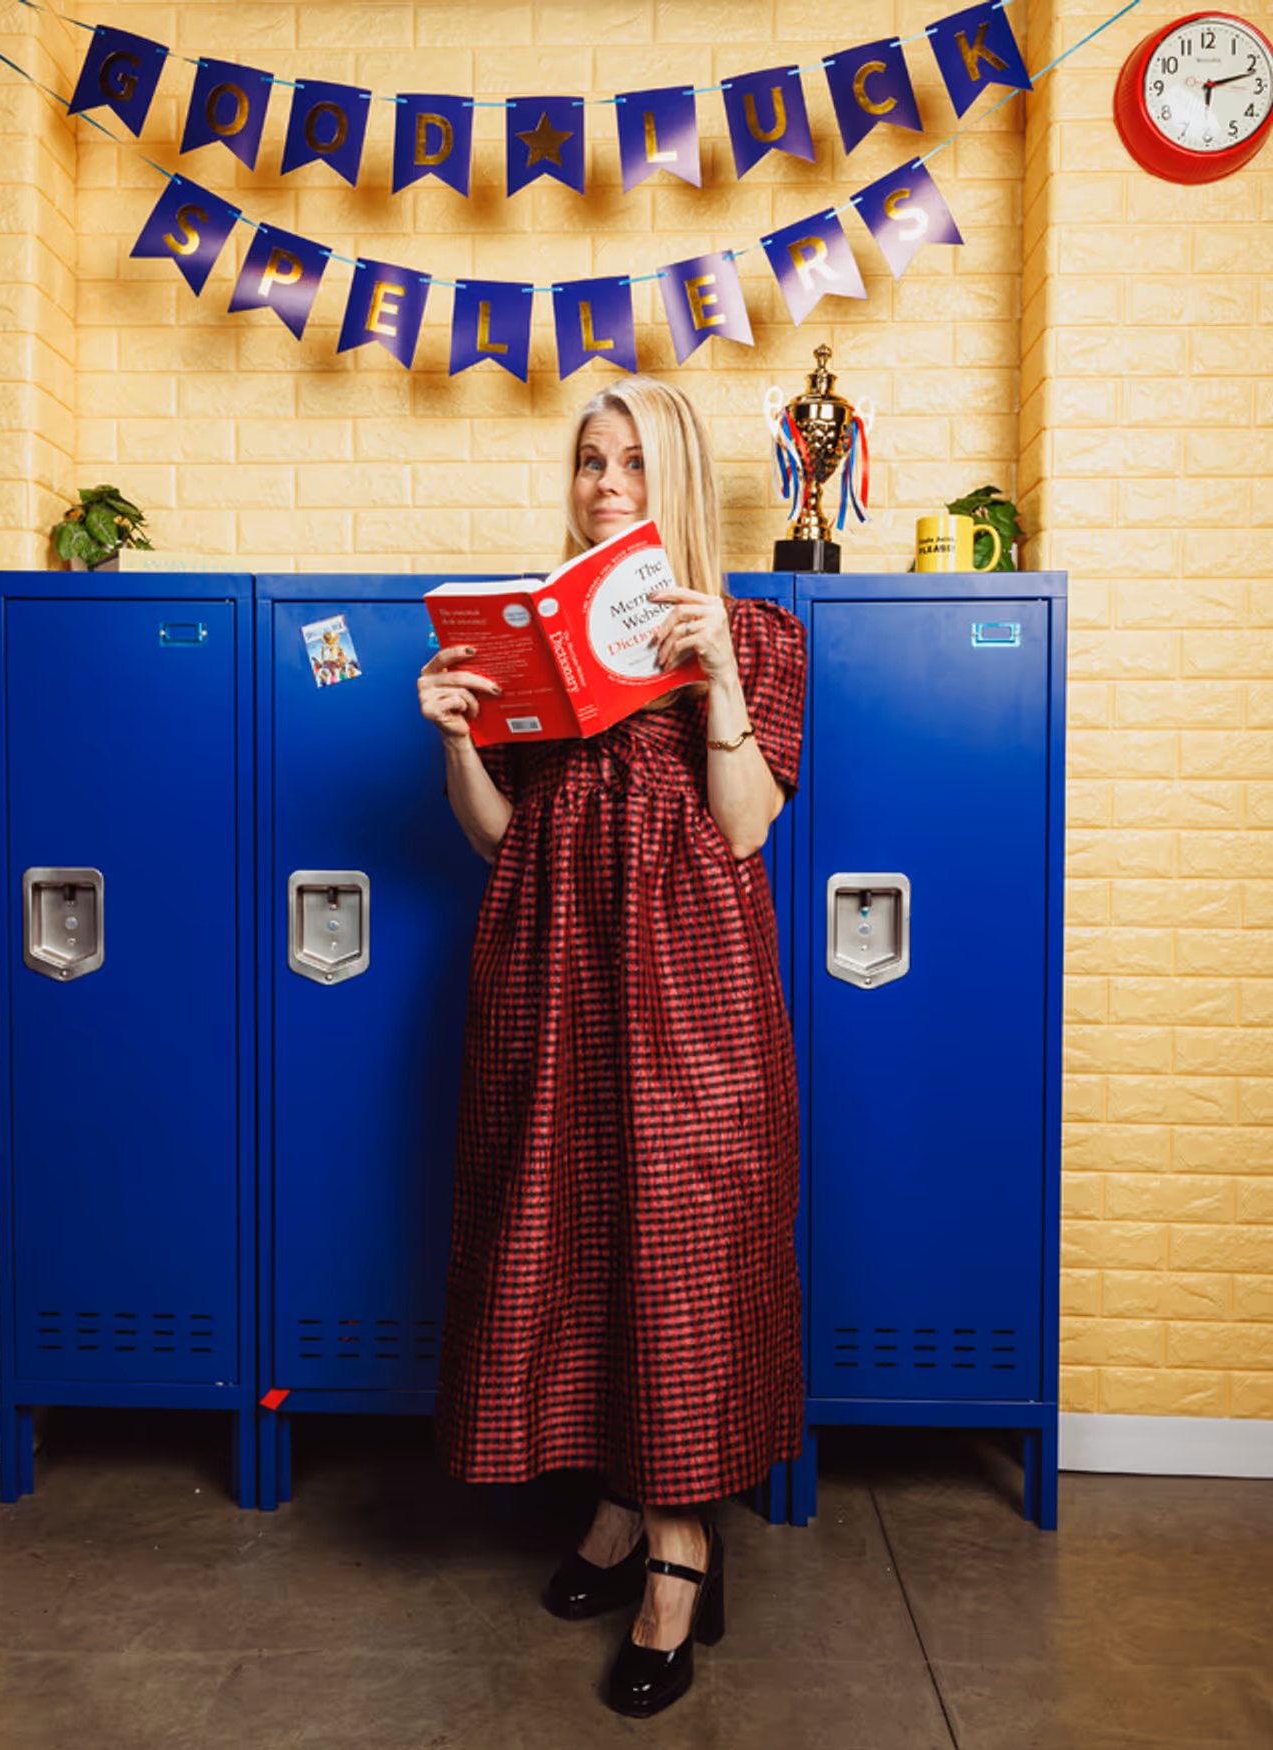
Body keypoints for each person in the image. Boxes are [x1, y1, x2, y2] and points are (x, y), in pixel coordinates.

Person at [417, 376, 806, 1719]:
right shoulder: (542, 634)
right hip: (553, 982)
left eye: (632, 461)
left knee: (686, 1251)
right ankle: (621, 1503)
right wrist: (459, 743)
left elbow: (747, 824)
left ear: (677, 480)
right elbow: (492, 836)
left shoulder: (751, 633)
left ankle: (682, 1556)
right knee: (576, 1238)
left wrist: (712, 679)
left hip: (691, 993)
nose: (604, 483)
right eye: (589, 460)